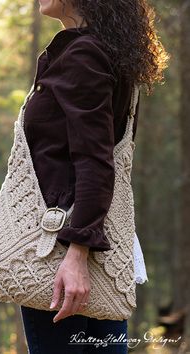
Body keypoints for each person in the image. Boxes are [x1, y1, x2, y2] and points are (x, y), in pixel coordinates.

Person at [20, 0, 169, 353]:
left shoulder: (84, 54)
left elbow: (95, 161)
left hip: (61, 249)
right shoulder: (106, 51)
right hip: (95, 242)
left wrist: (77, 254)